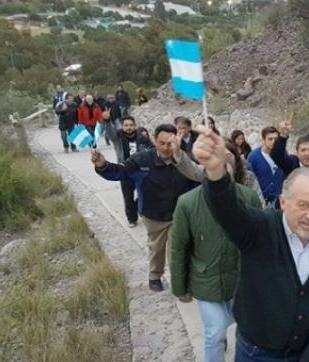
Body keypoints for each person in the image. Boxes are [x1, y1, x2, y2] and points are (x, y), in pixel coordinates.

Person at [193, 126, 309, 361]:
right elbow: (227, 210)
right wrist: (216, 171)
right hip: (257, 353)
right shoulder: (259, 228)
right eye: (303, 205)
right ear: (283, 201)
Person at [170, 143, 262, 362]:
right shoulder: (187, 203)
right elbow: (179, 248)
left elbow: (261, 242)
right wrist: (179, 287)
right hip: (205, 280)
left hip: (241, 280)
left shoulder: (249, 198)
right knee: (215, 332)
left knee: (247, 331)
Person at [91, 124, 195, 292]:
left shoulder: (186, 160)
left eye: (170, 143)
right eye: (162, 143)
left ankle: (180, 281)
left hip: (179, 214)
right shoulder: (141, 160)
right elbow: (121, 172)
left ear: (177, 141)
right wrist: (103, 165)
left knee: (178, 250)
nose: (166, 148)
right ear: (154, 140)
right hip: (153, 214)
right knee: (157, 247)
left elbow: (197, 181)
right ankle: (155, 276)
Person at [103, 114, 154, 227]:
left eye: (131, 125)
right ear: (122, 126)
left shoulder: (142, 137)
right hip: (124, 171)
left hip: (140, 171)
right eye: (126, 125)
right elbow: (110, 133)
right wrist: (107, 121)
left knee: (145, 194)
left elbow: (152, 149)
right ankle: (132, 219)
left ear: (135, 126)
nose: (129, 127)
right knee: (128, 196)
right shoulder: (118, 137)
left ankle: (139, 209)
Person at [246, 126, 285, 208]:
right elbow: (249, 179)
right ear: (263, 140)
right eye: (270, 139)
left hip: (279, 201)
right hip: (260, 201)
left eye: (276, 139)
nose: (273, 142)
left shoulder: (283, 155)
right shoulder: (253, 157)